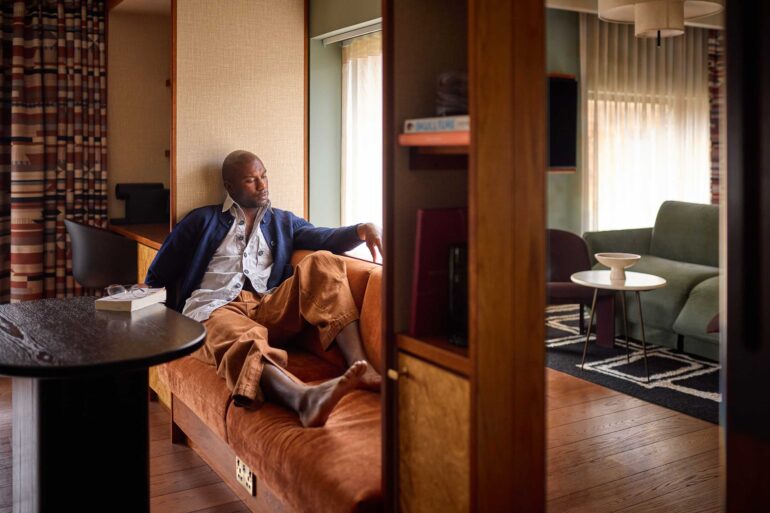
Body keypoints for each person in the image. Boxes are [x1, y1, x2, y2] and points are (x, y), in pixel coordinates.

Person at [146, 150, 382, 427]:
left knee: (322, 262)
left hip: (268, 305)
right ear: (230, 187)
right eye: (250, 180)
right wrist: (164, 325)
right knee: (243, 335)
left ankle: (361, 365)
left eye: (264, 176)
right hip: (216, 309)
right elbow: (158, 274)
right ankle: (302, 399)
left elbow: (323, 237)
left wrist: (362, 229)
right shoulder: (201, 220)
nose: (262, 185)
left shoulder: (282, 221)